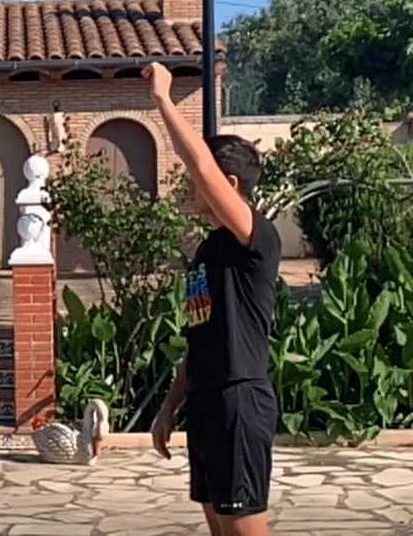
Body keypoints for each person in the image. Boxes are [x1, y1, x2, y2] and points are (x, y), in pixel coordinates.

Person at [145, 61, 281, 536]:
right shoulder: (206, 251)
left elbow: (200, 163)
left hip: (238, 401)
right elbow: (199, 338)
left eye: (203, 180)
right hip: (205, 403)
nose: (190, 185)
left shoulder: (256, 239)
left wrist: (164, 98)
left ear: (233, 187)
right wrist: (169, 406)